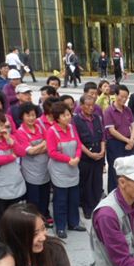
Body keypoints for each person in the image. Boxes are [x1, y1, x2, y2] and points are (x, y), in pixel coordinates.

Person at [46, 102, 85, 238]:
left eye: (69, 114)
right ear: (57, 117)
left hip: (73, 167)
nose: (68, 117)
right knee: (61, 200)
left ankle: (74, 223)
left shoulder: (72, 128)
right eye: (64, 115)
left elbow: (79, 146)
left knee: (74, 198)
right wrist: (68, 159)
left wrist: (77, 158)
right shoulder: (52, 131)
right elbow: (52, 152)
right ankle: (61, 226)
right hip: (60, 169)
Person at [15, 102, 52, 225]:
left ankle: (44, 214)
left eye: (33, 115)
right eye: (28, 115)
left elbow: (50, 144)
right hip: (31, 170)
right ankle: (34, 220)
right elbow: (30, 152)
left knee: (45, 194)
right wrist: (43, 144)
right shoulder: (20, 132)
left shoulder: (40, 127)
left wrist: (38, 147)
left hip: (44, 168)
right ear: (22, 116)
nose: (31, 118)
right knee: (33, 197)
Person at [74, 95, 105, 219]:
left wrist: (102, 150)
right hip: (86, 157)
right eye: (88, 105)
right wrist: (90, 154)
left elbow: (102, 135)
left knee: (97, 183)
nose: (91, 108)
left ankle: (97, 206)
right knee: (86, 184)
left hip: (99, 155)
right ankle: (87, 208)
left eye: (93, 105)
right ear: (81, 106)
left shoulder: (97, 118)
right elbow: (78, 141)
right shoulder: (76, 120)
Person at [104, 84, 134, 192]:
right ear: (115, 95)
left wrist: (131, 140)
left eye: (126, 97)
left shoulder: (127, 110)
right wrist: (128, 140)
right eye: (121, 96)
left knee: (128, 170)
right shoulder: (109, 111)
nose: (123, 99)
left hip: (128, 142)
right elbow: (112, 131)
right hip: (114, 144)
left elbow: (133, 126)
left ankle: (127, 192)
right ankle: (114, 194)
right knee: (115, 171)